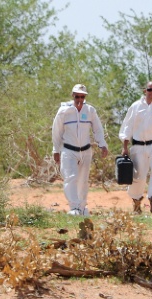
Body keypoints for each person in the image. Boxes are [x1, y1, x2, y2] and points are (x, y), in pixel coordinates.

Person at [52, 84, 109, 216]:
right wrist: (56, 150)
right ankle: (74, 207)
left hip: (86, 151)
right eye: (77, 96)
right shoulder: (64, 112)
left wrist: (102, 144)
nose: (79, 99)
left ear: (85, 97)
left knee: (83, 179)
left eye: (82, 96)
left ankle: (82, 207)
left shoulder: (90, 111)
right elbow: (57, 131)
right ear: (73, 96)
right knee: (71, 177)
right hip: (68, 150)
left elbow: (97, 129)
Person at [119, 81, 152, 214]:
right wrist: (125, 146)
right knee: (139, 176)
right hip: (138, 145)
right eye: (150, 90)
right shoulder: (136, 106)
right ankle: (136, 202)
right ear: (145, 91)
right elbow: (127, 125)